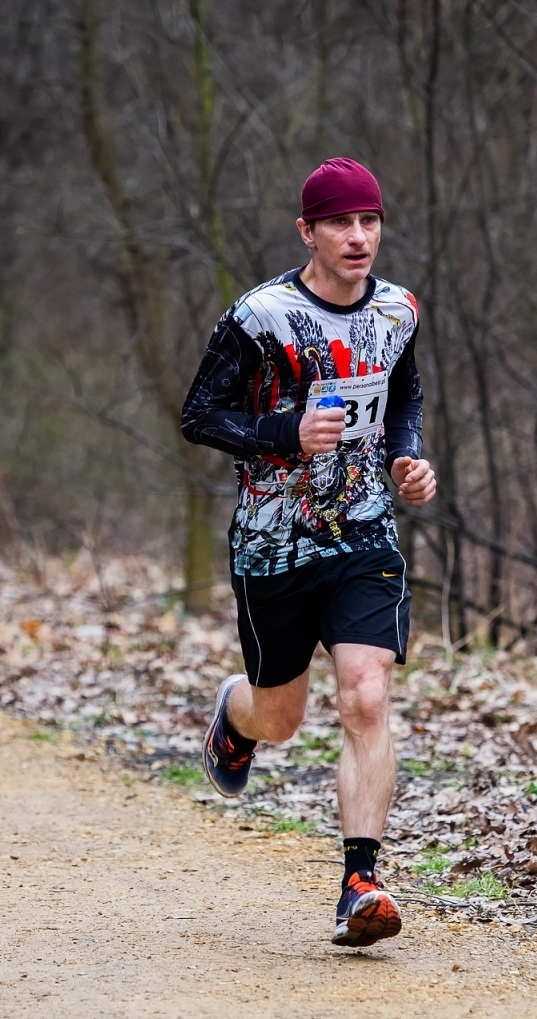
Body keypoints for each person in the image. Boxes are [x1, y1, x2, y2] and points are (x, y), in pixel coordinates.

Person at [181, 158, 438, 947]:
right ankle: (237, 714)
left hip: (364, 533)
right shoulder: (261, 317)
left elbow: (403, 394)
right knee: (281, 718)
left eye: (369, 221)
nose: (358, 237)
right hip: (275, 544)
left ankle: (361, 884)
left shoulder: (398, 310)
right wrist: (282, 433)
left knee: (366, 695)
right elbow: (199, 415)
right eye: (339, 223)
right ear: (308, 232)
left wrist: (407, 457)